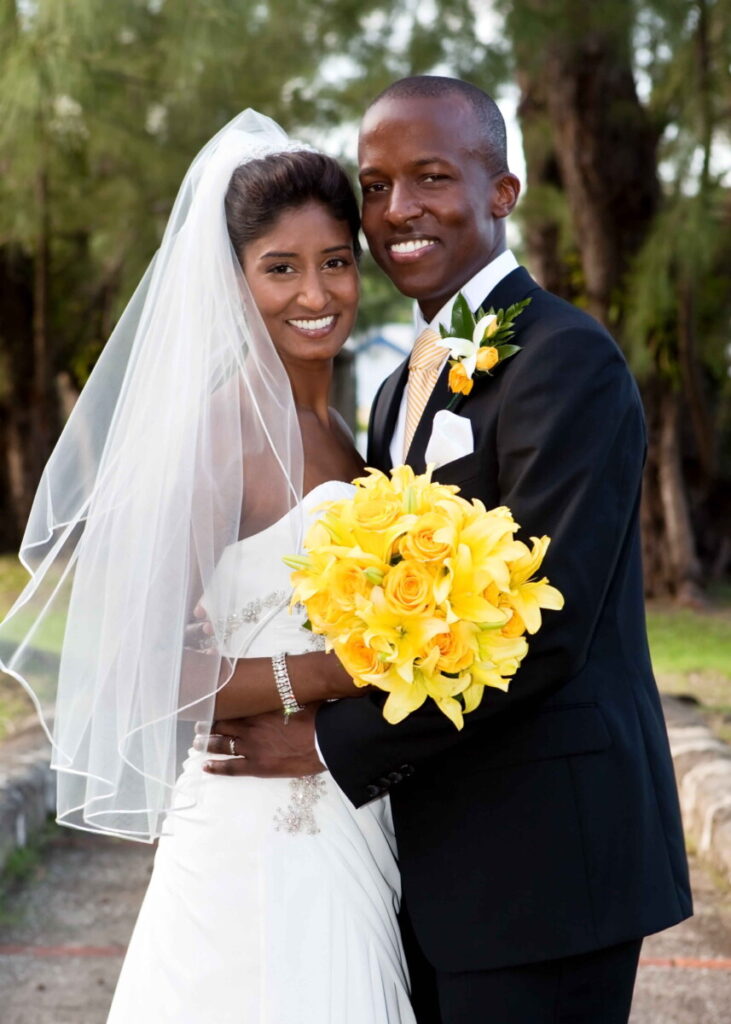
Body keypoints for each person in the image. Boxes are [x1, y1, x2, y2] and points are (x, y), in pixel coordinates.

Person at [201, 78, 693, 1024]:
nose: (398, 210)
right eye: (376, 185)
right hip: (424, 866)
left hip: (546, 866)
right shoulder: (396, 391)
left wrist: (325, 741)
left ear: (502, 191)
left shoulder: (565, 360)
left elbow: (540, 628)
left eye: (430, 177)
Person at [0, 111, 415, 1023]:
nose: (316, 292)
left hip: (349, 813)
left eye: (335, 261)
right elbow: (139, 668)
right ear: (233, 281)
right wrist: (326, 672)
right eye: (280, 268)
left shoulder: (351, 432)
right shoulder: (219, 434)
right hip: (250, 825)